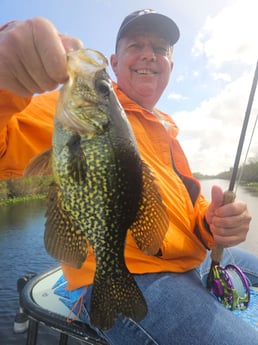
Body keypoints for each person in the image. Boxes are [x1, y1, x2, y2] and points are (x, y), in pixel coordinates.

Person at [1, 9, 258, 344]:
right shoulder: (78, 109)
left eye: (161, 48)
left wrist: (213, 224)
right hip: (138, 276)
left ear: (170, 66)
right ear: (115, 62)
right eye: (136, 44)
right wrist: (4, 78)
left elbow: (181, 215)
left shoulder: (165, 129)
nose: (149, 54)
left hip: (194, 258)